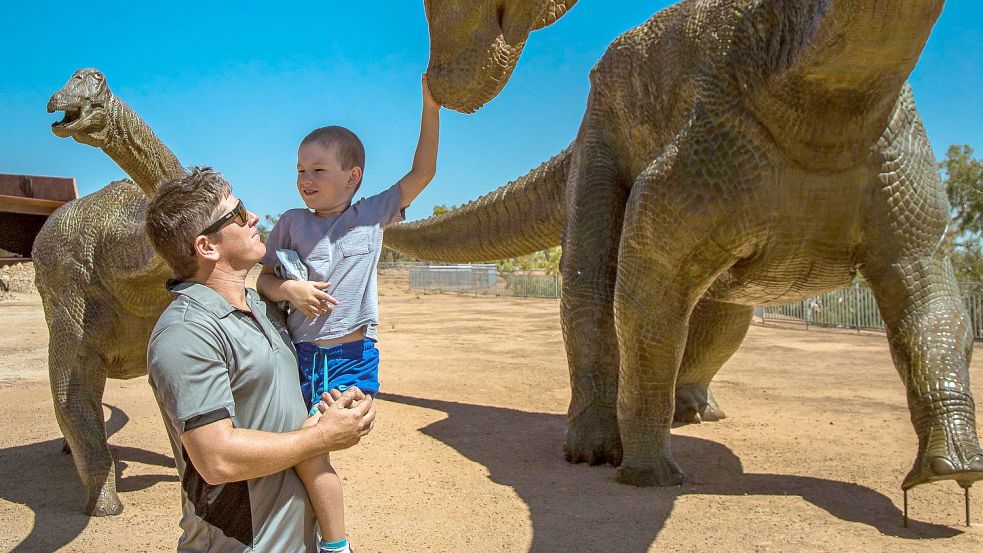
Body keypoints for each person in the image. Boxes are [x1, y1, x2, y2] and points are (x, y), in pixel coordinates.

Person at [145, 166, 376, 553]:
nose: (252, 217)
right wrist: (322, 437)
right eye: (237, 214)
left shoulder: (263, 304)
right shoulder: (186, 333)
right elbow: (217, 458)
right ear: (207, 247)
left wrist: (345, 407)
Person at [255, 74, 440, 553]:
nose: (305, 180)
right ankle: (321, 542)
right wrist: (289, 288)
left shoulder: (372, 214)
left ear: (352, 176)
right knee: (304, 454)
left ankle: (333, 545)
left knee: (311, 452)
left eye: (318, 170)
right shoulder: (290, 224)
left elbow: (423, 174)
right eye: (300, 170)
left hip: (353, 358)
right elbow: (262, 281)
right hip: (297, 357)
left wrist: (431, 107)